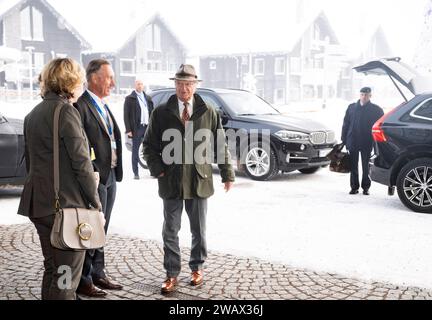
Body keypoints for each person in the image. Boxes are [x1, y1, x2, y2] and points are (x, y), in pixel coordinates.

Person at [143, 64, 235, 294]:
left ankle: (197, 267)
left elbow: (220, 144)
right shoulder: (161, 112)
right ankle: (171, 274)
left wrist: (227, 173)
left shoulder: (208, 111)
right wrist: (158, 169)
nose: (184, 88)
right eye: (180, 83)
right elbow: (148, 146)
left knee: (198, 230)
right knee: (170, 230)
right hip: (171, 180)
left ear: (195, 85)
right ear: (174, 85)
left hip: (199, 179)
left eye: (188, 84)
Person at [17, 58, 101, 300]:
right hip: (63, 209)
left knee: (53, 270)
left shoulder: (33, 113)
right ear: (70, 81)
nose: (83, 85)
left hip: (40, 205)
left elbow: (31, 161)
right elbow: (81, 164)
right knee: (66, 278)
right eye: (80, 80)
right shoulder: (66, 111)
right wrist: (95, 205)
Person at [74, 59, 123, 297]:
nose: (113, 83)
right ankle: (83, 279)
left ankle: (98, 273)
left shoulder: (102, 104)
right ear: (93, 78)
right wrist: (93, 172)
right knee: (91, 228)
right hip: (96, 177)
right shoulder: (80, 106)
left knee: (102, 227)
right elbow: (80, 149)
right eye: (109, 77)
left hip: (110, 175)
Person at [342, 87, 384, 195]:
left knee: (366, 166)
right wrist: (344, 139)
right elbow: (346, 124)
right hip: (353, 140)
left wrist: (378, 142)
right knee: (353, 166)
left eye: (366, 95)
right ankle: (354, 187)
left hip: (367, 141)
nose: (364, 97)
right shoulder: (351, 107)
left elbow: (380, 126)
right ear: (359, 95)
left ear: (370, 96)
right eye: (362, 94)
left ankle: (366, 187)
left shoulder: (376, 109)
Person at [123, 79, 154, 179]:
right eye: (138, 84)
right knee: (135, 150)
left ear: (143, 85)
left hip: (147, 127)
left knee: (150, 150)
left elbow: (152, 113)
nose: (140, 86)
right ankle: (136, 173)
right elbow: (126, 115)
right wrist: (128, 130)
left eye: (141, 84)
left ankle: (152, 170)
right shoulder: (129, 99)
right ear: (135, 85)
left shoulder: (148, 98)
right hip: (137, 128)